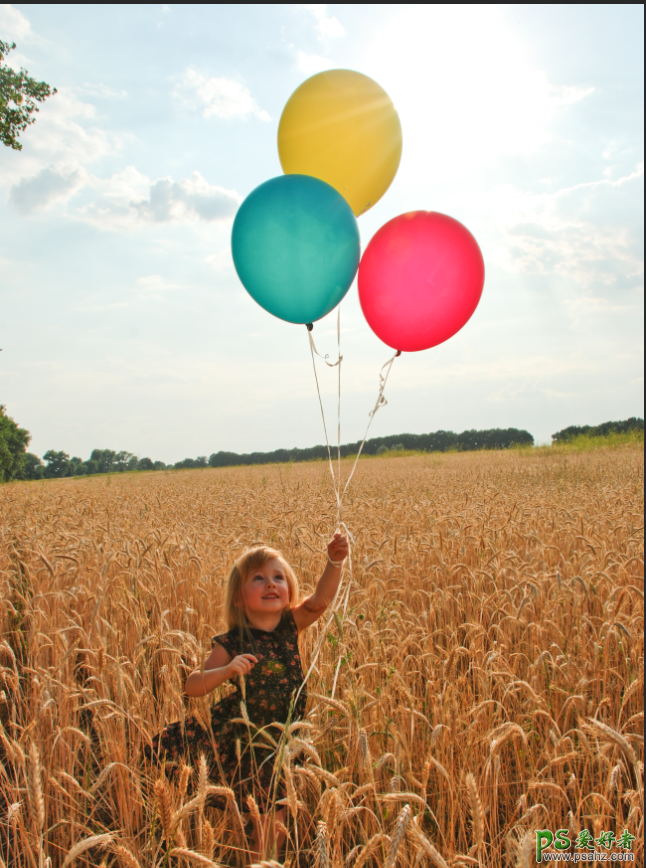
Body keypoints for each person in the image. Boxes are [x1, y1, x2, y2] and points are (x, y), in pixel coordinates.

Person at [145, 532, 349, 863]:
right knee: (268, 816)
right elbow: (193, 685)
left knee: (273, 818)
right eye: (259, 578)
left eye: (278, 577)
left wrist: (335, 561)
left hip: (283, 738)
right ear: (239, 598)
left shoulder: (290, 625)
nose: (271, 584)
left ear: (288, 590)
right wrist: (226, 671)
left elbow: (319, 602)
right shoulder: (232, 641)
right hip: (247, 740)